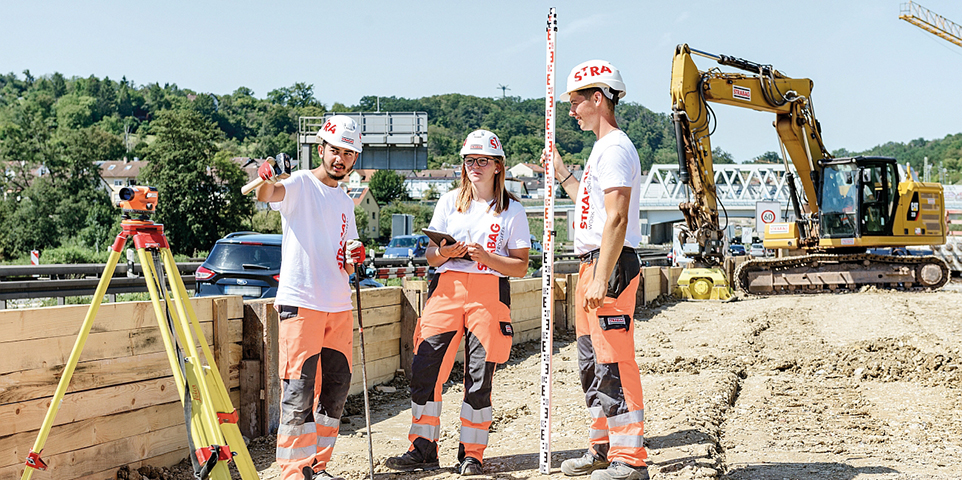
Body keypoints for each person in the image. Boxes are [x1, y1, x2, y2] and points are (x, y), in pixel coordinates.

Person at [385, 129, 531, 476]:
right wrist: (444, 252)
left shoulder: (513, 210)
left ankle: (472, 453)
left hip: (489, 292)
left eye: (482, 160)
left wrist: (488, 257)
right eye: (469, 160)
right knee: (425, 370)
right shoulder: (449, 202)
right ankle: (422, 449)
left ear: (498, 165)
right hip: (446, 290)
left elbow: (521, 265)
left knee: (479, 378)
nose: (474, 167)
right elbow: (431, 256)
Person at [544, 60, 648, 480]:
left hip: (610, 267)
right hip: (593, 265)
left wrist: (602, 276)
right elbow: (589, 208)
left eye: (575, 103)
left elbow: (617, 219)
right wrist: (562, 173)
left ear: (598, 98)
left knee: (614, 359)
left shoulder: (616, 148)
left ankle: (629, 460)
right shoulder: (599, 151)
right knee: (592, 362)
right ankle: (602, 448)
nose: (571, 111)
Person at [255, 115, 366, 480]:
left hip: (338, 304)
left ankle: (317, 467)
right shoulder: (300, 183)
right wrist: (267, 178)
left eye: (348, 153)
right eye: (335, 150)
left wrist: (354, 257)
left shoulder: (346, 203)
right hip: (301, 301)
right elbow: (267, 195)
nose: (340, 159)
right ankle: (293, 472)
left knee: (336, 389)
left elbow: (346, 263)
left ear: (354, 158)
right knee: (299, 389)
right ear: (321, 149)